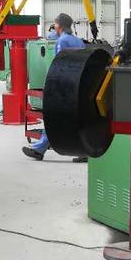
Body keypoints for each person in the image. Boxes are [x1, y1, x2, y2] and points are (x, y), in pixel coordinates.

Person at [22, 13, 84, 161]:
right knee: (76, 119)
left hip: (64, 86)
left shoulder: (62, 41)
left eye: (55, 24)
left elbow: (59, 64)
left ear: (59, 25)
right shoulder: (79, 41)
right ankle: (83, 152)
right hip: (78, 85)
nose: (54, 26)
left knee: (54, 118)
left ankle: (39, 149)